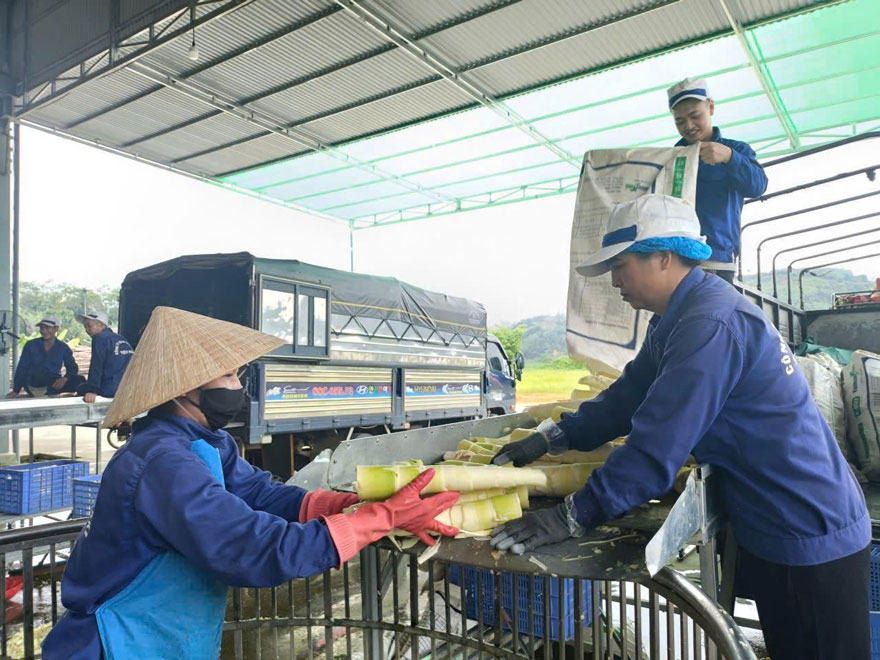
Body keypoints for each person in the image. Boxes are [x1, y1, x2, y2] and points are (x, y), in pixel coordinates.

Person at [490, 195, 870, 660]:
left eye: (621, 265)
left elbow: (654, 451)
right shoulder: (676, 319)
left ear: (663, 258)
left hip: (805, 524)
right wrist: (551, 439)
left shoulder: (708, 323)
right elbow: (626, 399)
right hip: (772, 517)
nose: (614, 281)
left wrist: (569, 516)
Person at [42, 306, 460, 659]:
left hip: (165, 635)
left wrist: (352, 503)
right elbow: (252, 547)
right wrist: (380, 519)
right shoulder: (163, 462)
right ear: (183, 389)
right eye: (226, 377)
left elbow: (261, 494)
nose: (237, 387)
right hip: (115, 643)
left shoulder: (206, 441)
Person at [668, 77, 768, 283]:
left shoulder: (738, 150)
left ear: (710, 107)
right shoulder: (670, 158)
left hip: (716, 259)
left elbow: (758, 186)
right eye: (679, 120)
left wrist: (730, 158)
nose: (688, 125)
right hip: (674, 260)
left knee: (709, 314)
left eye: (695, 116)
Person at [7, 315, 83, 397]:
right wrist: (16, 390)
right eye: (41, 328)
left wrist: (65, 379)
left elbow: (72, 367)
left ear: (56, 329)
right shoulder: (31, 345)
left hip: (52, 384)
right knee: (43, 374)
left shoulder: (63, 348)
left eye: (47, 327)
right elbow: (22, 367)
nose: (43, 331)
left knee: (80, 380)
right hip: (33, 382)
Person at [74, 310, 133, 402]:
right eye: (85, 327)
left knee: (80, 388)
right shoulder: (121, 338)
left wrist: (93, 390)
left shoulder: (99, 338)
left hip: (110, 389)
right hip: (127, 389)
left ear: (101, 325)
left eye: (89, 326)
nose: (86, 330)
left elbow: (97, 365)